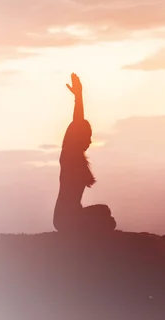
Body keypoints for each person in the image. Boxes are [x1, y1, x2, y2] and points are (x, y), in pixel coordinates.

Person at [53, 73, 116, 234]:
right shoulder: (69, 158)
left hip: (70, 216)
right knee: (105, 216)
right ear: (78, 138)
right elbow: (78, 121)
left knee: (106, 215)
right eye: (87, 137)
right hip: (65, 218)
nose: (89, 142)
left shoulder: (78, 161)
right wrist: (79, 96)